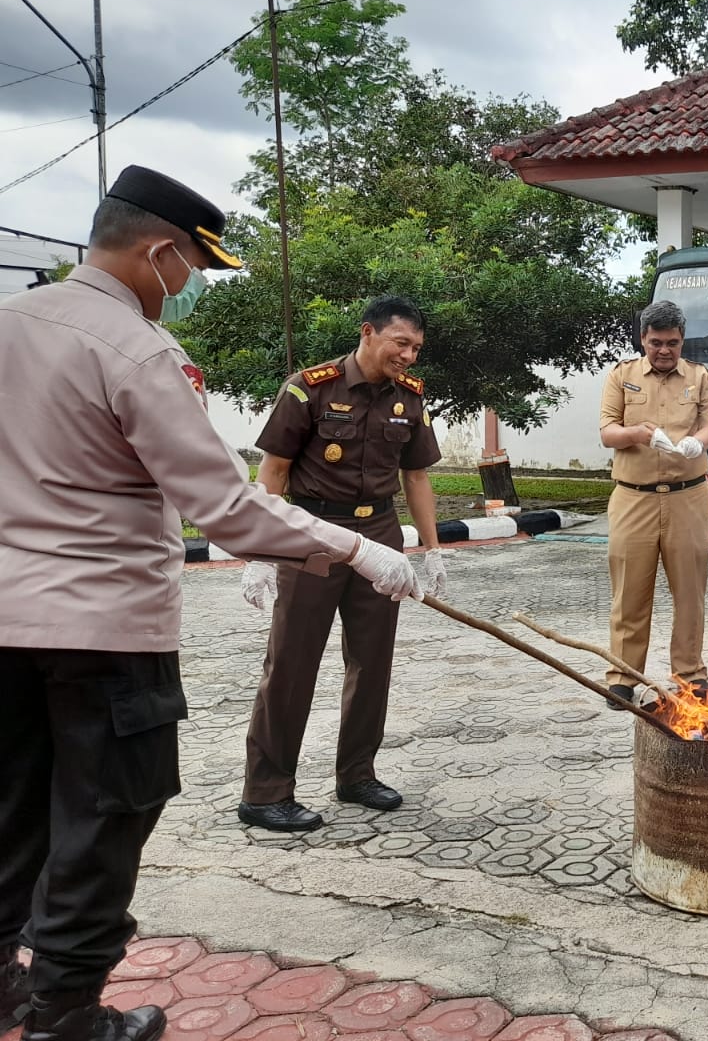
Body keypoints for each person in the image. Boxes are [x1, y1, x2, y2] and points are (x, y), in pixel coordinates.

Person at [0, 167, 418, 1041]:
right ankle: (67, 1016)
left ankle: (5, 982)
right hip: (102, 632)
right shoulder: (137, 351)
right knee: (101, 820)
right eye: (189, 266)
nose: (187, 285)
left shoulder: (9, 323)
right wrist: (355, 547)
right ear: (158, 251)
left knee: (10, 812)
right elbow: (224, 504)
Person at [238, 296, 445, 832]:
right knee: (291, 663)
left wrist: (431, 547)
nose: (409, 356)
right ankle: (265, 792)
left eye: (417, 348)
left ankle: (357, 774)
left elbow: (416, 476)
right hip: (314, 535)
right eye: (401, 343)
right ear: (368, 333)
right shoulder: (310, 387)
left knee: (372, 662)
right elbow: (275, 471)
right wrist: (263, 552)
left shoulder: (410, 398)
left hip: (379, 531)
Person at [598, 300, 708, 705]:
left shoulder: (700, 377)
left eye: (673, 342)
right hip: (634, 497)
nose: (664, 350)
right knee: (630, 591)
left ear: (682, 340)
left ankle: (690, 674)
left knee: (690, 593)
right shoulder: (622, 376)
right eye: (655, 343)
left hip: (689, 497)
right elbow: (607, 431)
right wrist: (637, 434)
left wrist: (695, 442)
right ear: (642, 340)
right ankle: (623, 677)